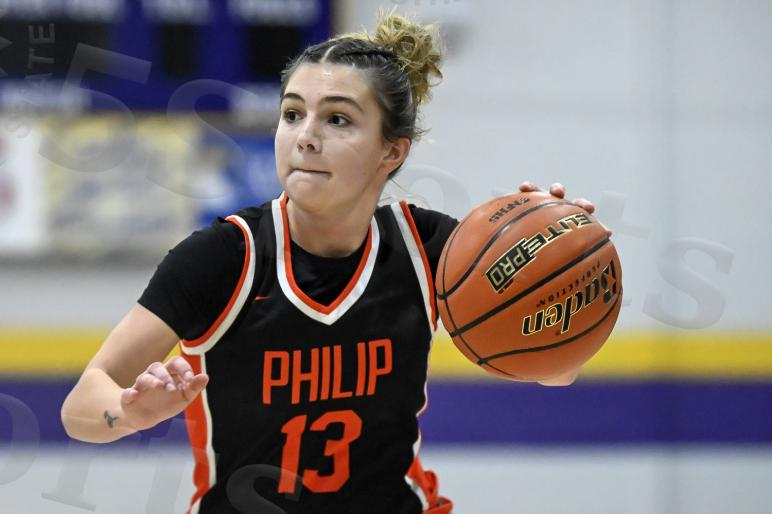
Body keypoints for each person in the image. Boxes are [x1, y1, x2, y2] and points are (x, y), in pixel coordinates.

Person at [61, 13, 601, 514]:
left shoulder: (431, 248)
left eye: (337, 119)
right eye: (292, 114)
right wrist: (128, 411)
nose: (306, 137)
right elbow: (82, 406)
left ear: (392, 152)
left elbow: (556, 370)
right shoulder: (224, 258)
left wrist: (559, 274)